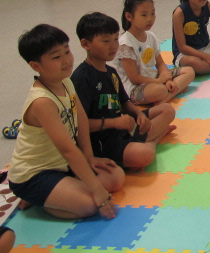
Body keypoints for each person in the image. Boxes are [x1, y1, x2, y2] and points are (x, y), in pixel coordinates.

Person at [8, 24, 123, 219]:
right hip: (34, 174)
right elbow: (68, 150)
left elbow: (81, 118)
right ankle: (36, 197)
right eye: (56, 57)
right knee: (90, 205)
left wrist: (89, 157)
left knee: (115, 177)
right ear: (36, 66)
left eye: (67, 51)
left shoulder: (65, 80)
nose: (66, 60)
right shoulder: (42, 102)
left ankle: (53, 194)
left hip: (61, 165)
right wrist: (98, 192)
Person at [71, 12, 176, 170]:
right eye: (106, 41)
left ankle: (142, 140)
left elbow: (124, 101)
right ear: (86, 44)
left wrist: (139, 114)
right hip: (103, 140)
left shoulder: (111, 72)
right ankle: (153, 140)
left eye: (115, 39)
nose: (113, 46)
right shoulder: (81, 78)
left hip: (123, 128)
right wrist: (114, 122)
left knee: (167, 110)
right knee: (145, 155)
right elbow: (79, 125)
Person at [115, 0, 195, 105]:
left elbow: (160, 63)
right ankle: (172, 91)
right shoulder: (125, 44)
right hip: (135, 87)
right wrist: (159, 81)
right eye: (144, 15)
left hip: (152, 77)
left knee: (189, 71)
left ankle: (166, 97)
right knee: (160, 90)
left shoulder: (150, 36)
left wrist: (167, 80)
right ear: (129, 16)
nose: (150, 19)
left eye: (152, 13)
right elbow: (134, 78)